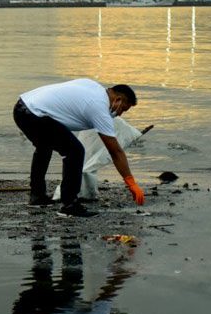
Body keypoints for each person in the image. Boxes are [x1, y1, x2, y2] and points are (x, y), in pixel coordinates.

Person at [12, 79, 145, 218]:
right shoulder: (99, 107)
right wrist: (131, 183)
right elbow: (115, 151)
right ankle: (69, 205)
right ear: (117, 99)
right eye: (123, 109)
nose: (120, 114)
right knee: (74, 151)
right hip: (33, 114)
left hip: (22, 107)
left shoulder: (94, 88)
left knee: (45, 146)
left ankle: (37, 196)